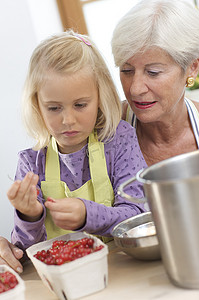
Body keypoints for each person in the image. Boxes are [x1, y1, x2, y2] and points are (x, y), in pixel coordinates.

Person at [0, 29, 147, 272]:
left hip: (125, 271)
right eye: (54, 108)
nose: (68, 119)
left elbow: (139, 215)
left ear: (100, 97)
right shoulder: (31, 162)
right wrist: (29, 216)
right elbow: (26, 252)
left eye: (80, 105)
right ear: (37, 105)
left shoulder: (119, 140)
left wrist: (87, 215)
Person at [111, 0, 199, 166]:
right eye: (126, 71)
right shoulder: (103, 131)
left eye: (153, 72)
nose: (135, 89)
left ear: (192, 68)